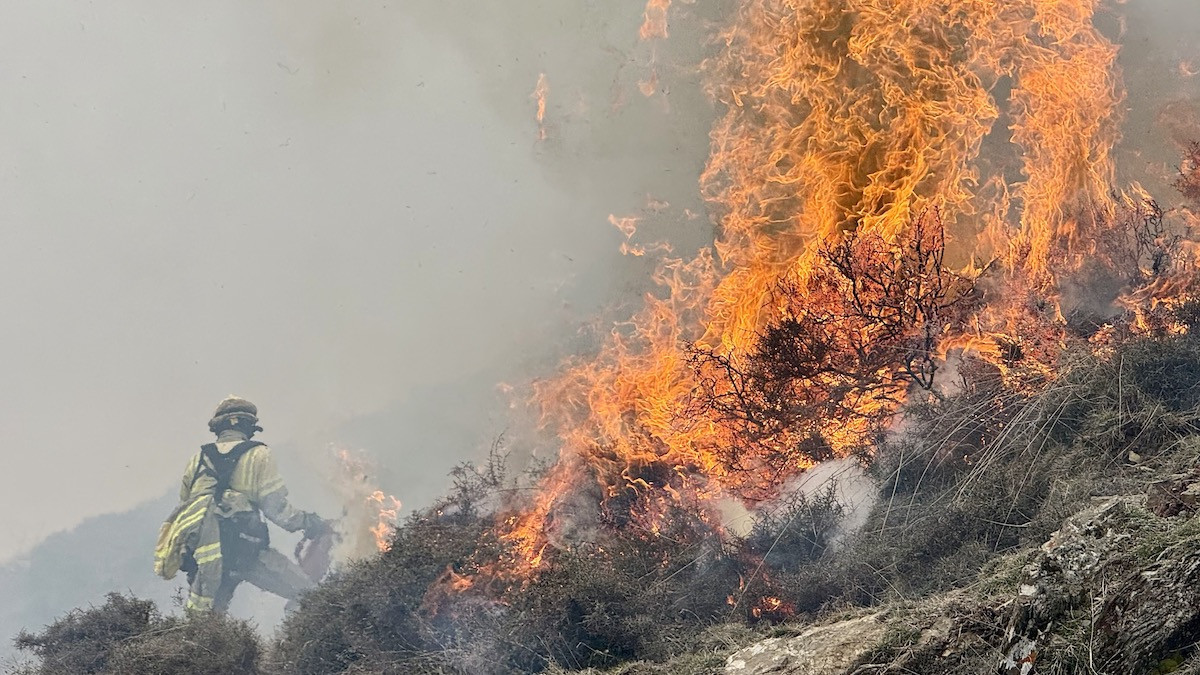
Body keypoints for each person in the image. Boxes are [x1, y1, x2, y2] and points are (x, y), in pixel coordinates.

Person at [154, 396, 331, 613]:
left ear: (218, 427)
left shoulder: (197, 460)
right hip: (248, 552)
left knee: (204, 620)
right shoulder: (259, 455)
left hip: (207, 558)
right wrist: (310, 522)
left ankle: (204, 636)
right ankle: (297, 633)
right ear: (249, 426)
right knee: (311, 597)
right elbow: (277, 510)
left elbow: (187, 507)